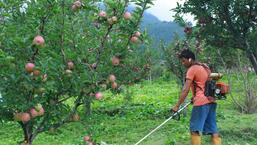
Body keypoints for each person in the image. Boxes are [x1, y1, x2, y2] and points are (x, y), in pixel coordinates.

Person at [172, 49, 221, 145]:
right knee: (213, 130)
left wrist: (177, 105)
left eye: (183, 60)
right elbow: (205, 85)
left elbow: (185, 89)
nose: (182, 63)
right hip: (211, 101)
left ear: (190, 59)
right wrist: (194, 97)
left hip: (201, 103)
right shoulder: (204, 67)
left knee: (194, 130)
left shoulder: (192, 69)